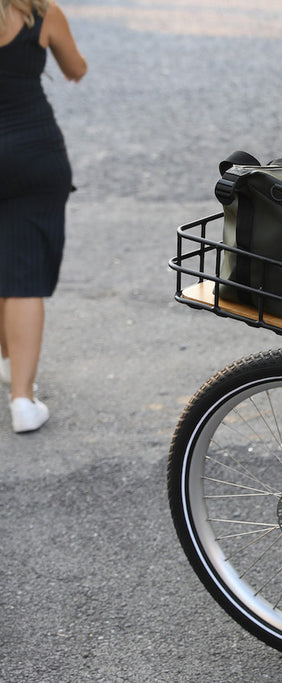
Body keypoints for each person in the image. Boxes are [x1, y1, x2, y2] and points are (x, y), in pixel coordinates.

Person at [0, 0, 86, 433]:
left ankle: (8, 359)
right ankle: (22, 400)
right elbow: (75, 68)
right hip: (35, 153)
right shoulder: (40, 14)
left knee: (6, 264)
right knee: (24, 272)